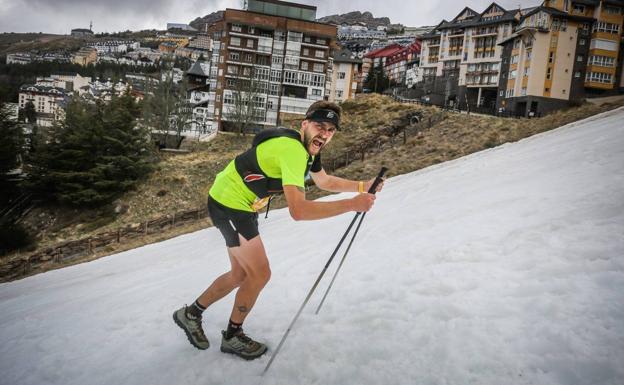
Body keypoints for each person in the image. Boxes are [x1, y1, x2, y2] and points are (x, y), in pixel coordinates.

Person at [173, 101, 384, 360]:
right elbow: (299, 211)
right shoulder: (293, 151)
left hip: (232, 203)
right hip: (230, 206)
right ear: (304, 124)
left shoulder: (308, 149)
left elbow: (324, 180)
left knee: (240, 273)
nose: (325, 134)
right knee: (259, 274)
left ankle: (191, 314)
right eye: (320, 126)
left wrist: (362, 186)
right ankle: (232, 336)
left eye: (331, 130)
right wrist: (352, 204)